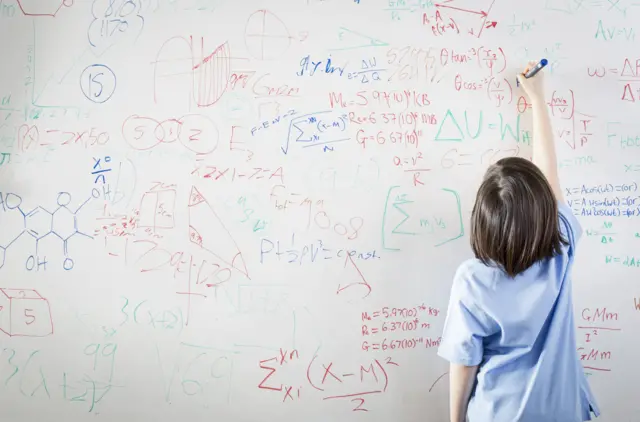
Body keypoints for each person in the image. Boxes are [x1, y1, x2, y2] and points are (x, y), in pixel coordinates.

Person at [437, 62, 600, 422]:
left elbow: (464, 362)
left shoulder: (472, 280)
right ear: (543, 210)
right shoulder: (562, 250)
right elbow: (548, 172)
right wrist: (537, 98)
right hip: (564, 413)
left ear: (482, 219)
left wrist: (455, 420)